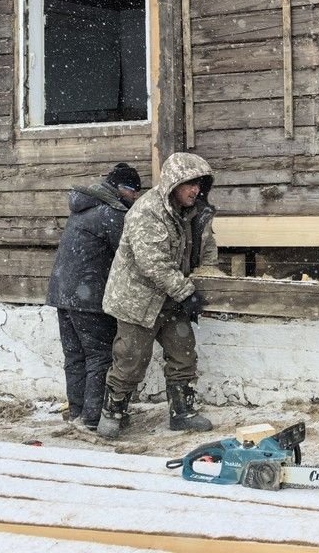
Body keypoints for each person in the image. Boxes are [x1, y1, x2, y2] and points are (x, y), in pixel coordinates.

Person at [97, 152, 219, 438]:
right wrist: (187, 292)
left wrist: (208, 278)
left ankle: (183, 412)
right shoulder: (147, 211)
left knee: (183, 353)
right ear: (173, 183)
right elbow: (152, 262)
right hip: (137, 299)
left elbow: (207, 247)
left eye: (200, 184)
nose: (196, 190)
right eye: (190, 184)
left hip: (172, 299)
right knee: (131, 359)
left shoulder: (193, 213)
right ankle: (112, 414)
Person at [46, 163, 141, 431]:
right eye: (135, 192)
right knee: (99, 356)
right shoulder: (111, 214)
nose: (135, 199)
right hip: (88, 297)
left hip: (61, 293)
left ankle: (76, 411)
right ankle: (93, 417)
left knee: (75, 356)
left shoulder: (83, 208)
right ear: (124, 189)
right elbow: (127, 255)